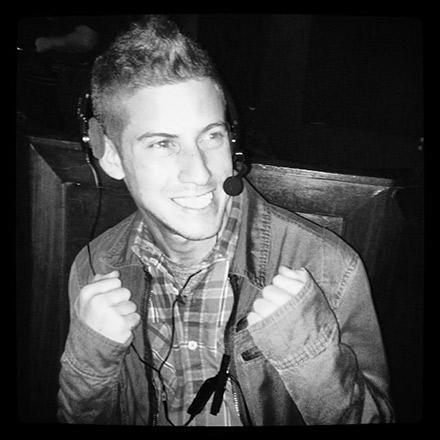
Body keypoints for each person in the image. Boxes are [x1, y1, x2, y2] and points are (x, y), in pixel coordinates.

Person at [57, 15, 394, 426]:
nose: (200, 172)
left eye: (211, 136)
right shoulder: (95, 269)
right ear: (111, 156)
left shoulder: (328, 267)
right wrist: (90, 360)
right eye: (163, 144)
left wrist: (309, 354)